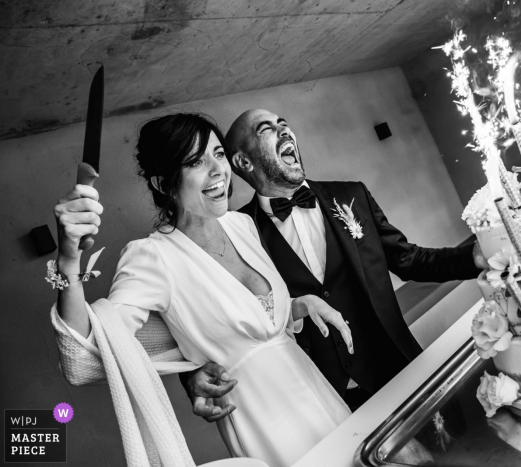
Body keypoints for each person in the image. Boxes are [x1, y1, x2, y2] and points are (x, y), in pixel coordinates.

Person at [52, 113, 355, 467]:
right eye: (196, 162)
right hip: (264, 421)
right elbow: (84, 354)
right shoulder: (152, 257)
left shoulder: (242, 224)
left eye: (219, 154)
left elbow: (256, 321)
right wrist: (68, 262)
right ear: (164, 184)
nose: (218, 170)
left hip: (316, 391)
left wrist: (295, 306)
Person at [184, 109, 483, 420]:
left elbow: (410, 260)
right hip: (322, 402)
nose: (284, 131)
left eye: (284, 123)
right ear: (243, 162)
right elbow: (218, 319)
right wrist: (191, 375)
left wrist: (475, 256)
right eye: (266, 129)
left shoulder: (352, 195)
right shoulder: (239, 234)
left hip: (399, 368)